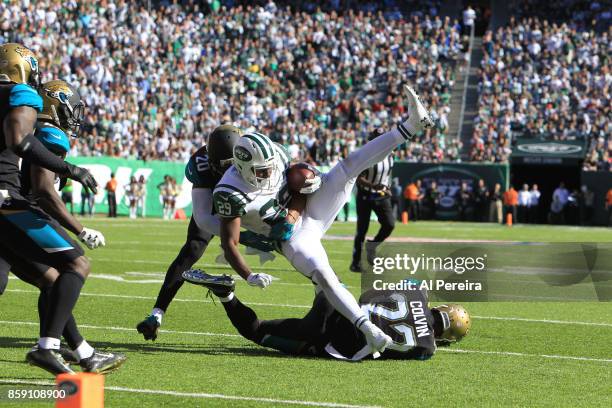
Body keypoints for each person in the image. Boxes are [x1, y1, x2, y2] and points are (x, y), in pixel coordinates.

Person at [204, 85, 434, 356]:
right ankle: (369, 330)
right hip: (289, 238)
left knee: (347, 168)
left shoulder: (275, 155)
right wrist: (249, 274)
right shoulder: (230, 193)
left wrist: (300, 200)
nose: (269, 173)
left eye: (270, 166)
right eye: (261, 171)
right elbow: (230, 242)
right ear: (242, 167)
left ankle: (409, 126)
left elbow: (298, 182)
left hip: (307, 211)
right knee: (323, 274)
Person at [1, 79, 124, 374]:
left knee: (53, 281)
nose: (76, 117)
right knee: (76, 265)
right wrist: (80, 229)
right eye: (72, 109)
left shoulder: (21, 122)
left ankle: (83, 352)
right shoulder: (49, 133)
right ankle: (49, 348)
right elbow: (43, 190)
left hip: (9, 215)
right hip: (14, 214)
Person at [136, 125, 274, 341]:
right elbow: (203, 218)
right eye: (224, 166)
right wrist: (242, 238)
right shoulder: (201, 164)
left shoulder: (252, 153)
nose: (229, 170)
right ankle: (157, 314)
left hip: (252, 194)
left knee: (280, 237)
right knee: (193, 247)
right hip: (218, 200)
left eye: (232, 165)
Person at [183, 273, 471, 361]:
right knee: (257, 332)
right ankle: (226, 295)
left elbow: (371, 294)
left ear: (443, 309)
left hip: (340, 303)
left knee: (320, 272)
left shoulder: (418, 293)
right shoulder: (427, 349)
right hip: (331, 338)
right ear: (446, 337)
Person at [350, 128, 395, 273]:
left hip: (381, 194)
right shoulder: (367, 155)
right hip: (366, 195)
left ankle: (372, 246)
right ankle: (356, 262)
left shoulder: (390, 153)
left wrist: (387, 186)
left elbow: (388, 173)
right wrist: (373, 185)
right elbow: (359, 178)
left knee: (389, 224)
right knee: (362, 230)